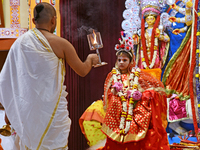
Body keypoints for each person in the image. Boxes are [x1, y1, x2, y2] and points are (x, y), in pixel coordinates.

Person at [0, 2, 99, 150]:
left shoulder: (19, 43)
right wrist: (90, 60)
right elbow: (82, 70)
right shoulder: (61, 44)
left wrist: (9, 109)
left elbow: (6, 80)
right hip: (52, 113)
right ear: (53, 20)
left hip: (26, 112)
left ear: (34, 21)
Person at [96, 36, 170, 150]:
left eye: (124, 60)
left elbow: (157, 87)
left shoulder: (138, 74)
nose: (121, 63)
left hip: (135, 105)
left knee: (144, 104)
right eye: (119, 60)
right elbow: (108, 93)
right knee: (115, 101)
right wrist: (114, 91)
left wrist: (141, 95)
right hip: (118, 106)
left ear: (131, 61)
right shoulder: (112, 75)